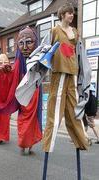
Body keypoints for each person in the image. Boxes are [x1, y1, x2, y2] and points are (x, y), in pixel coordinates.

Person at [41, 3, 90, 179]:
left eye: (73, 13)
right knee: (55, 112)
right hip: (59, 73)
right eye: (70, 13)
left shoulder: (75, 33)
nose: (72, 16)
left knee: (75, 109)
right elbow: (45, 50)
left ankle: (81, 140)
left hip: (73, 73)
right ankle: (48, 145)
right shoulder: (55, 31)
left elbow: (79, 53)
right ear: (63, 14)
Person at [0, 27, 42, 155]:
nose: (24, 47)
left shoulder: (40, 57)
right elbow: (12, 76)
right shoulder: (18, 62)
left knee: (33, 121)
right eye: (21, 43)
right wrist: (4, 73)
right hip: (23, 95)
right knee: (23, 120)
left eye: (29, 42)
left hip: (34, 93)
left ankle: (30, 145)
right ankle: (23, 145)